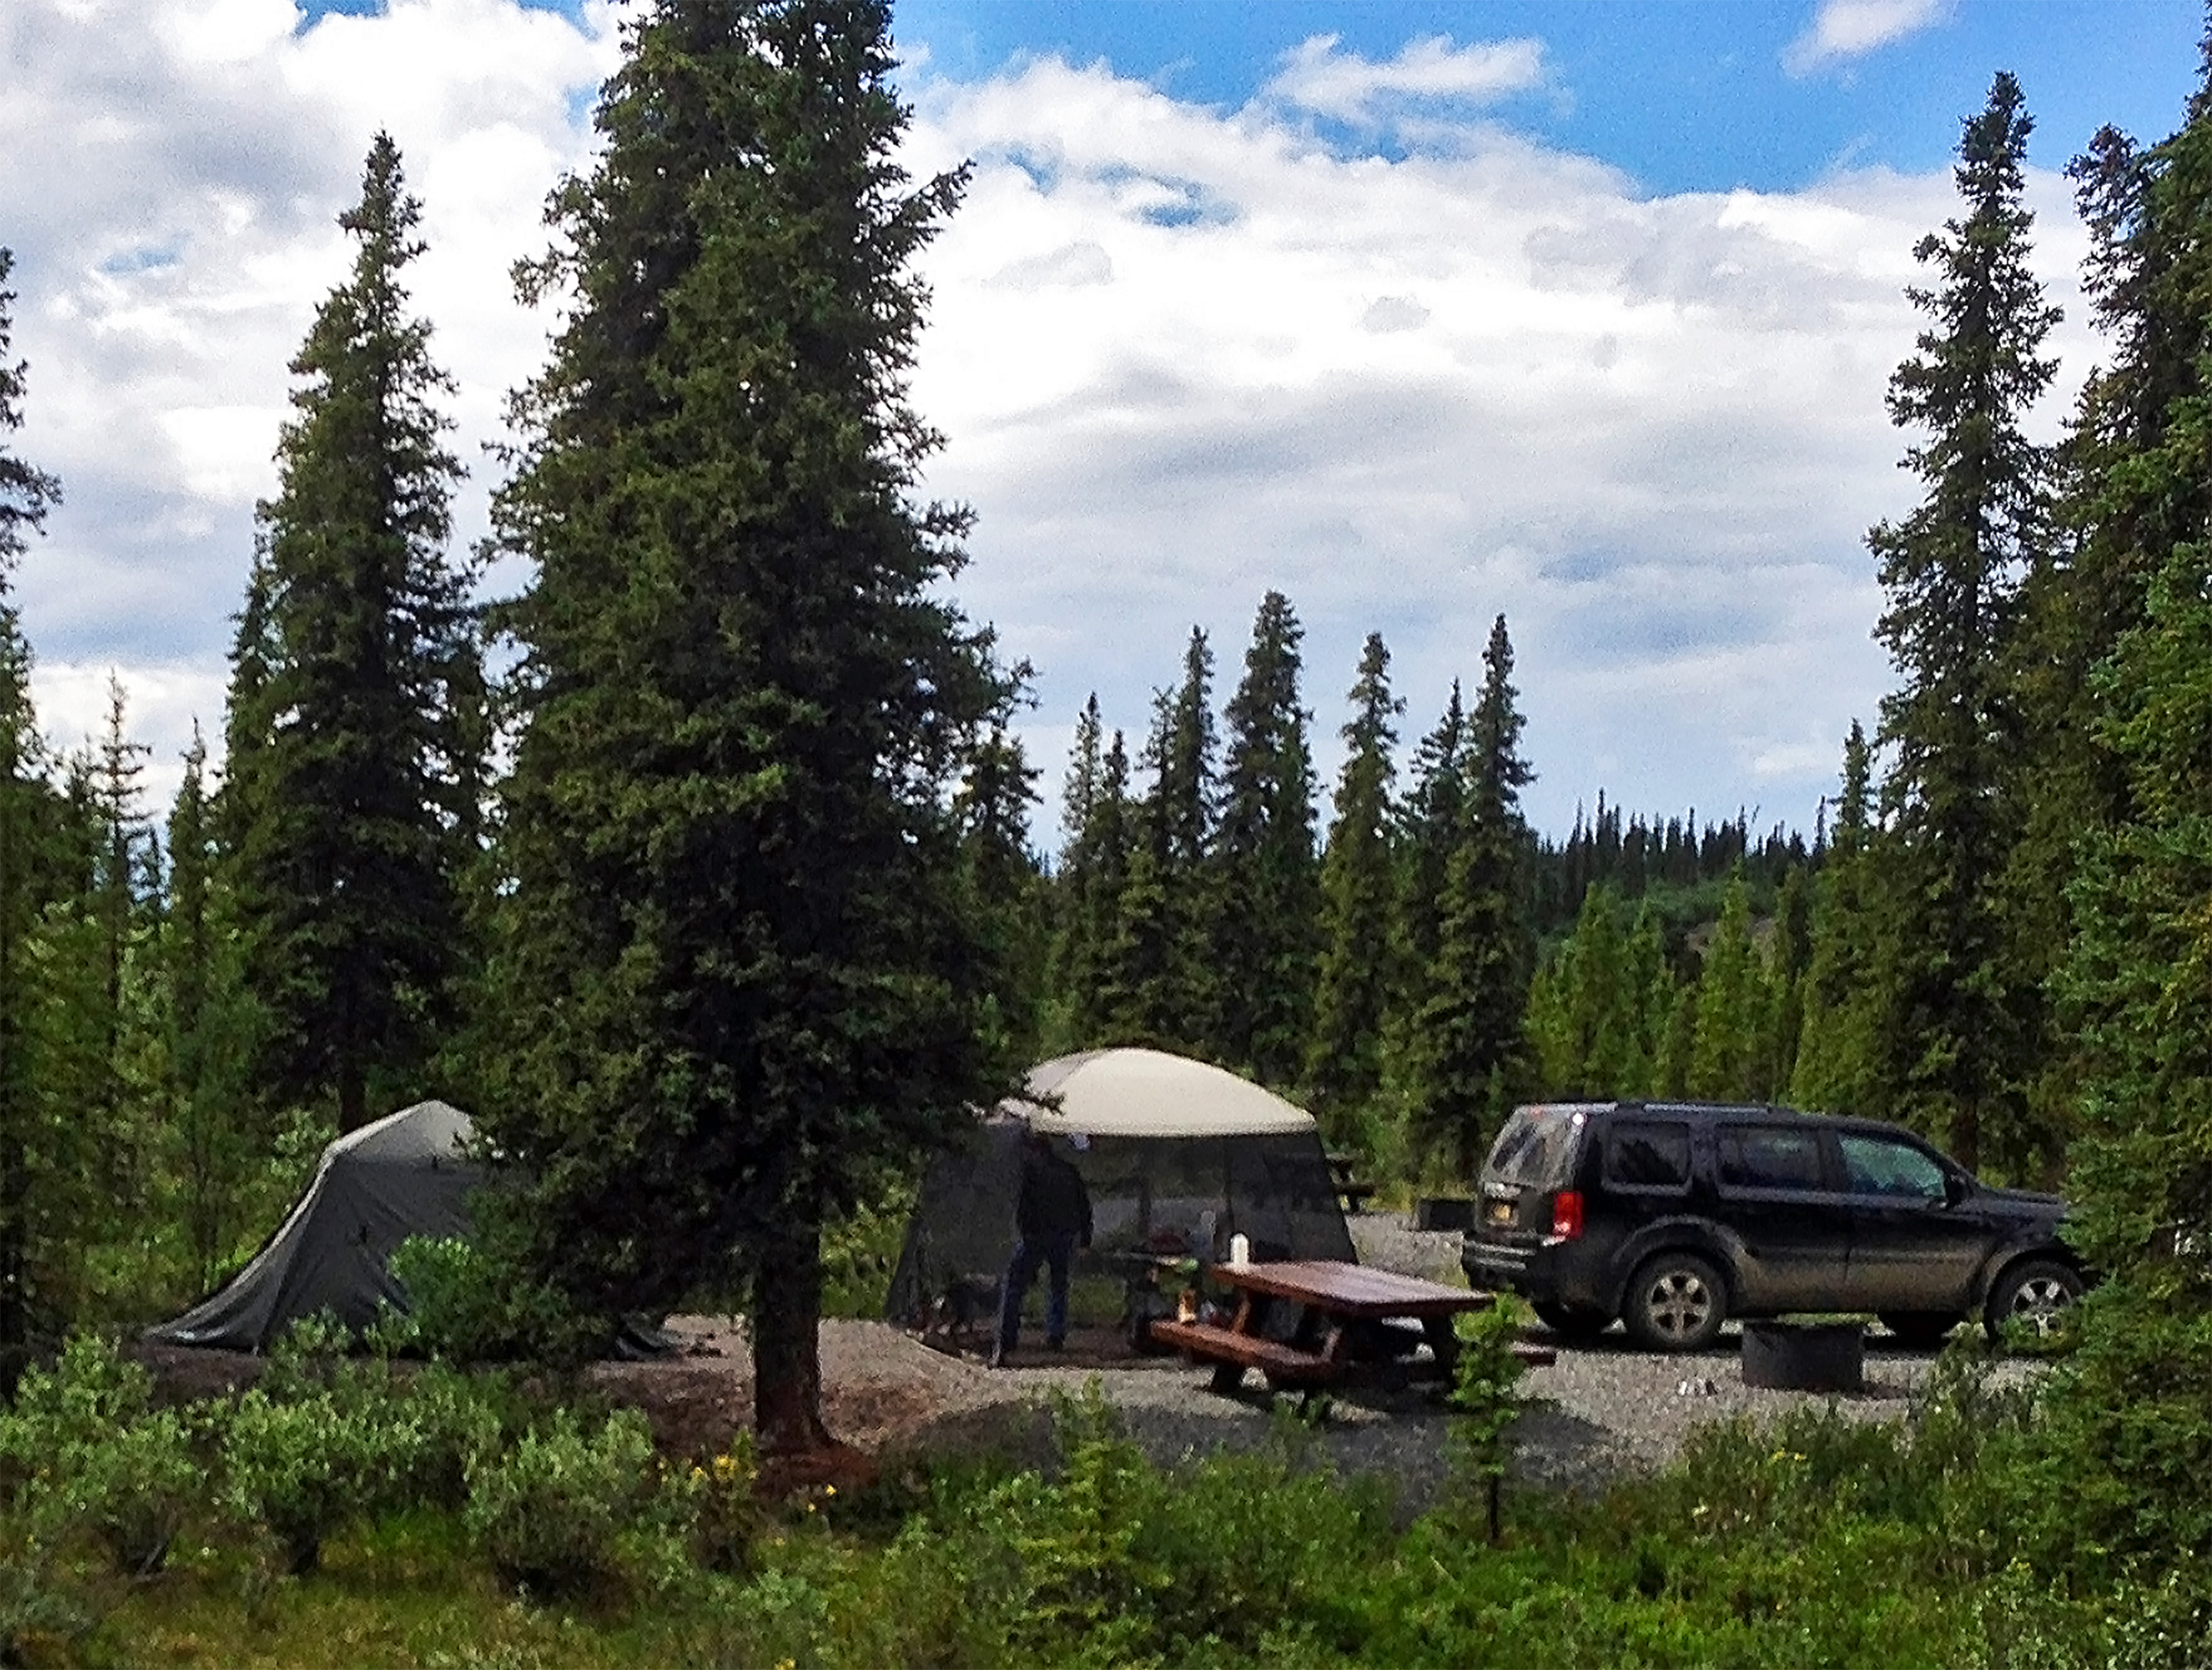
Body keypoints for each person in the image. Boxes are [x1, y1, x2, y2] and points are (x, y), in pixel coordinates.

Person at [991, 1126, 1093, 1367]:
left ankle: (1007, 1336)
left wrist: (1025, 1231)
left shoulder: (1030, 1173)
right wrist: (1085, 1238)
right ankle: (1055, 1334)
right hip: (1064, 1235)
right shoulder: (1068, 1171)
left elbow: (1024, 1207)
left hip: (1036, 1237)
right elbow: (1084, 1207)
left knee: (1015, 1284)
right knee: (1058, 1285)